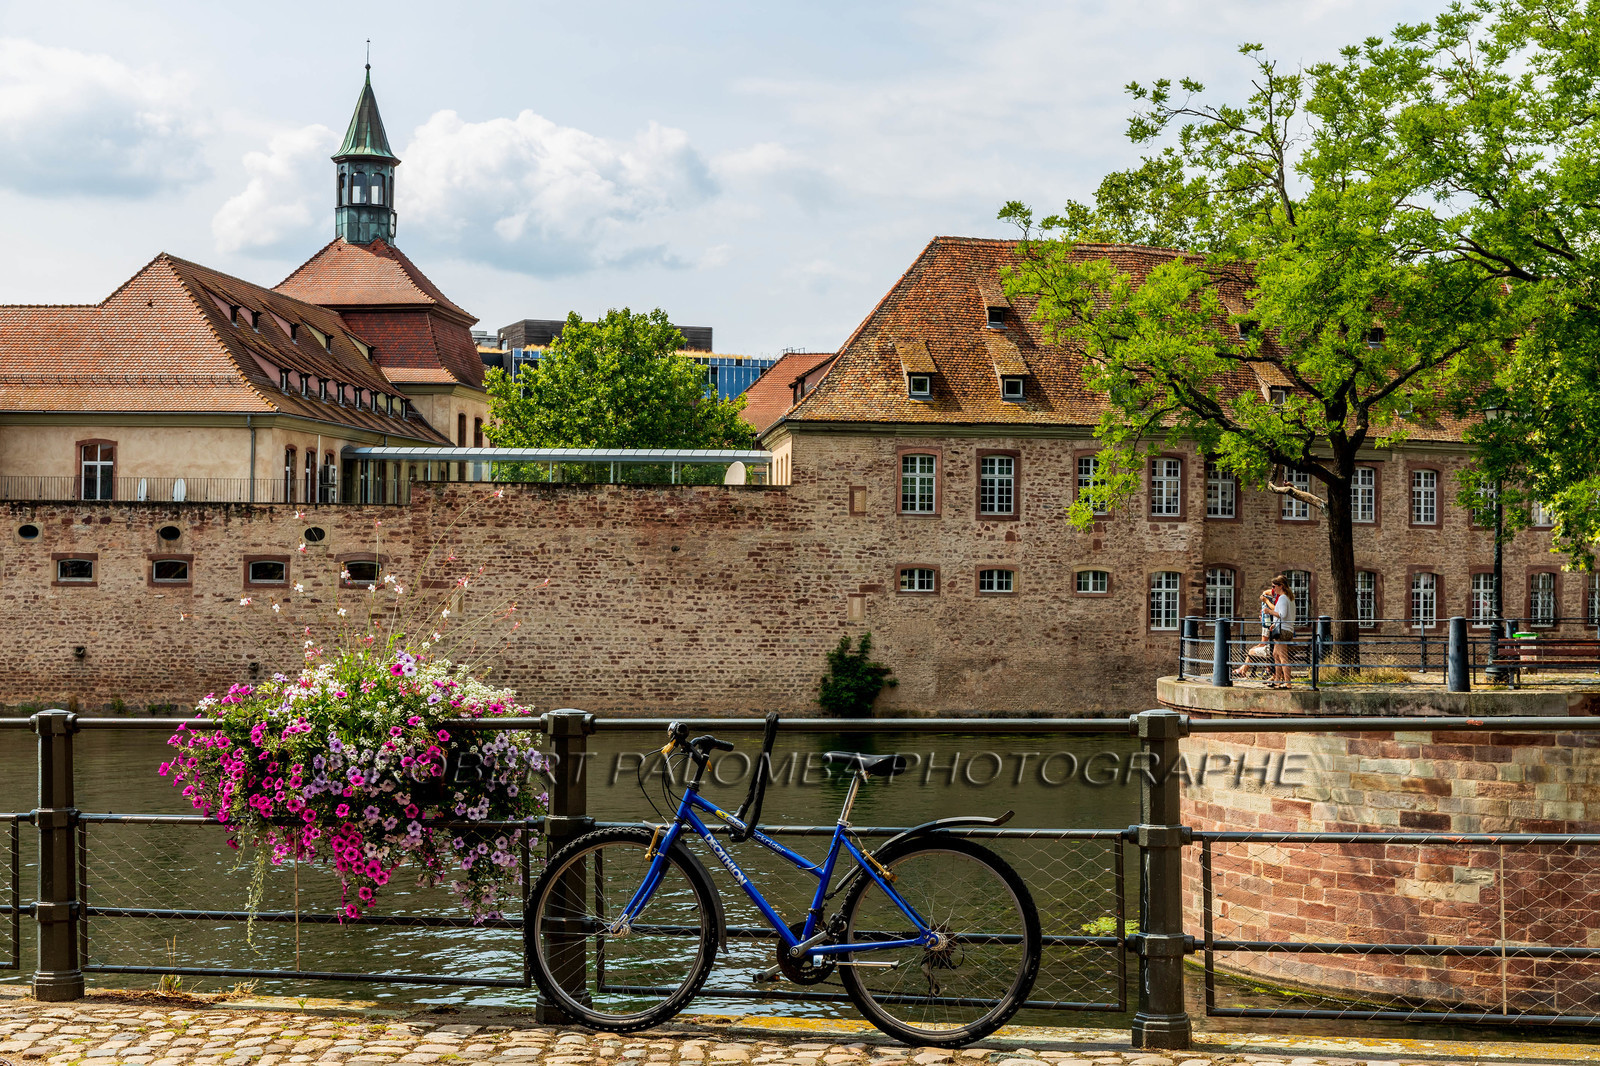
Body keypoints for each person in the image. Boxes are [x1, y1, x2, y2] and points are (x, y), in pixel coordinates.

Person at [1262, 574, 1296, 688]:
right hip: (1286, 629)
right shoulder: (1289, 598)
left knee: (1282, 657)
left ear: (1280, 586)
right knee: (1275, 654)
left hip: (1283, 631)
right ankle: (1277, 680)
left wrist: (1269, 611)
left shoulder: (1282, 598)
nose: (1273, 589)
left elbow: (1282, 614)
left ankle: (1288, 682)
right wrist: (1274, 624)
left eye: (1274, 586)